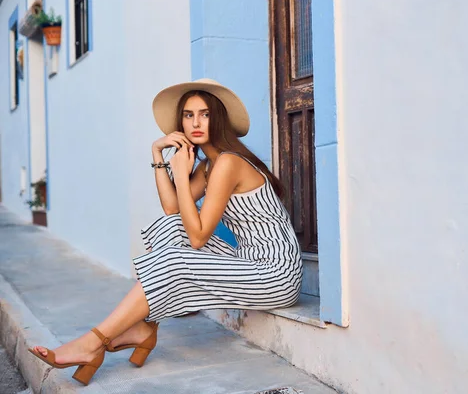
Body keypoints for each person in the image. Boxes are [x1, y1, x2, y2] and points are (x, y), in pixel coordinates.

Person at [28, 78, 303, 385]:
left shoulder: (228, 163)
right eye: (188, 115)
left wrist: (182, 177)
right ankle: (145, 326)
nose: (195, 122)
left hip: (275, 274)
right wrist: (158, 155)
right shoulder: (209, 166)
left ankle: (92, 343)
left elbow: (198, 236)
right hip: (247, 259)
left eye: (205, 114)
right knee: (172, 227)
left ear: (218, 119)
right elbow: (173, 210)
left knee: (175, 257)